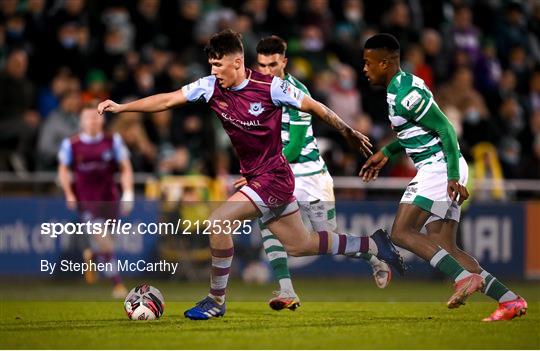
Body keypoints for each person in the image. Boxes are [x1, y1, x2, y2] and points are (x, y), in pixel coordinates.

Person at [98, 29, 405, 320]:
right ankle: (376, 245)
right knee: (302, 245)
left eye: (219, 65)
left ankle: (216, 301)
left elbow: (315, 107)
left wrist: (347, 131)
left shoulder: (270, 87)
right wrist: (123, 108)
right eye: (211, 65)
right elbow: (166, 99)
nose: (215, 71)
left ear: (236, 62)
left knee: (219, 221)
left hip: (273, 177)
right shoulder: (210, 86)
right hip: (260, 177)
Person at [360, 33, 527, 321]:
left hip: (439, 167)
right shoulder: (400, 88)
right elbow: (416, 133)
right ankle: (510, 300)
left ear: (385, 63)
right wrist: (388, 150)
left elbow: (446, 129)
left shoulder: (405, 95)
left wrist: (451, 176)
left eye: (368, 63)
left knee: (401, 232)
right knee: (447, 247)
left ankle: (464, 278)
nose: (364, 68)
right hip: (441, 166)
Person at [238, 35, 391, 311]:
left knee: (325, 239)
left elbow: (295, 146)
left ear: (284, 62)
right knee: (268, 223)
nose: (267, 71)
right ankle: (286, 290)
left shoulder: (296, 92)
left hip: (309, 176)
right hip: (279, 175)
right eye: (262, 65)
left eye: (273, 64)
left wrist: (260, 169)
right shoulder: (252, 92)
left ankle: (372, 252)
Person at [58, 107, 134, 298]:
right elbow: (63, 170)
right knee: (104, 241)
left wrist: (128, 192)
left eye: (95, 117)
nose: (92, 121)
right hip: (87, 202)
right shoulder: (71, 144)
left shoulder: (113, 141)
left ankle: (93, 253)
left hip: (110, 200)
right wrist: (68, 193)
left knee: (109, 243)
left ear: (102, 121)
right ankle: (118, 285)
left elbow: (125, 168)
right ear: (81, 122)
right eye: (87, 118)